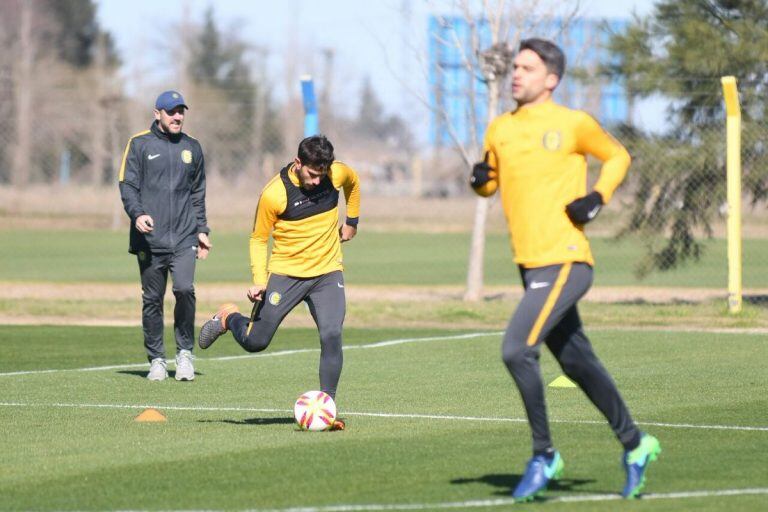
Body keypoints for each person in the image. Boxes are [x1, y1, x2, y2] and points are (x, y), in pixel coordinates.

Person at [469, 38, 660, 501]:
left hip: (567, 261)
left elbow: (618, 156)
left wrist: (598, 197)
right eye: (514, 67)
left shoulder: (573, 123)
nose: (517, 74)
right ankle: (637, 445)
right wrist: (480, 181)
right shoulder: (500, 128)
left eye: (527, 68)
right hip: (529, 263)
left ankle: (544, 454)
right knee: (576, 361)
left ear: (551, 79)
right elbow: (489, 183)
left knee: (516, 350)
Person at [198, 135, 360, 430]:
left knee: (332, 334)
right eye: (312, 174)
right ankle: (227, 318)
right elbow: (259, 238)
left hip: (327, 273)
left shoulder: (337, 173)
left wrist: (352, 221)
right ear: (298, 163)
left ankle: (327, 408)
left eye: (321, 174)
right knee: (255, 342)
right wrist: (259, 281)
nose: (316, 180)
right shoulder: (274, 194)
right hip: (286, 275)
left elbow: (353, 183)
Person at [118, 90, 211, 382]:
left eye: (181, 111)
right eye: (172, 111)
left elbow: (198, 194)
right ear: (157, 113)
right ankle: (156, 359)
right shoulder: (138, 144)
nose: (178, 117)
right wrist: (137, 214)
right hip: (150, 238)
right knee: (152, 299)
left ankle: (184, 353)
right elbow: (127, 186)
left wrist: (202, 230)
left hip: (184, 237)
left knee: (184, 289)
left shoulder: (192, 148)